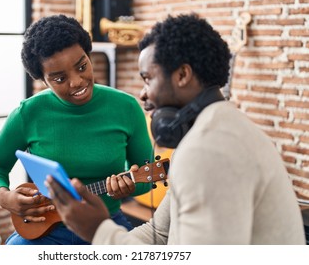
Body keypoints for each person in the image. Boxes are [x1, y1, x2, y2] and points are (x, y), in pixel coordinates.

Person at [45, 13, 306, 245]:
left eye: (148, 79)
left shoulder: (211, 149)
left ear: (182, 75)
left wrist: (98, 230)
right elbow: (158, 234)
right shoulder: (207, 134)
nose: (143, 94)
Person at [0, 14, 153, 245]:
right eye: (59, 78)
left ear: (89, 55)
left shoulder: (127, 107)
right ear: (43, 80)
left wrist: (128, 187)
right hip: (45, 228)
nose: (76, 82)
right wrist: (4, 197)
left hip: (105, 224)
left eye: (82, 66)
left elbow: (148, 176)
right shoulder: (28, 113)